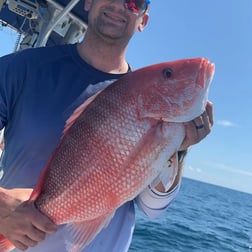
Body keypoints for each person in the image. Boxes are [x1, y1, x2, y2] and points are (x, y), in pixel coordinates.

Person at [0, 0, 214, 251]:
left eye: (134, 2)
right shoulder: (20, 68)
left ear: (143, 20)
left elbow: (152, 208)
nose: (119, 5)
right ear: (88, 2)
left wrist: (180, 148)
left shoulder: (155, 111)